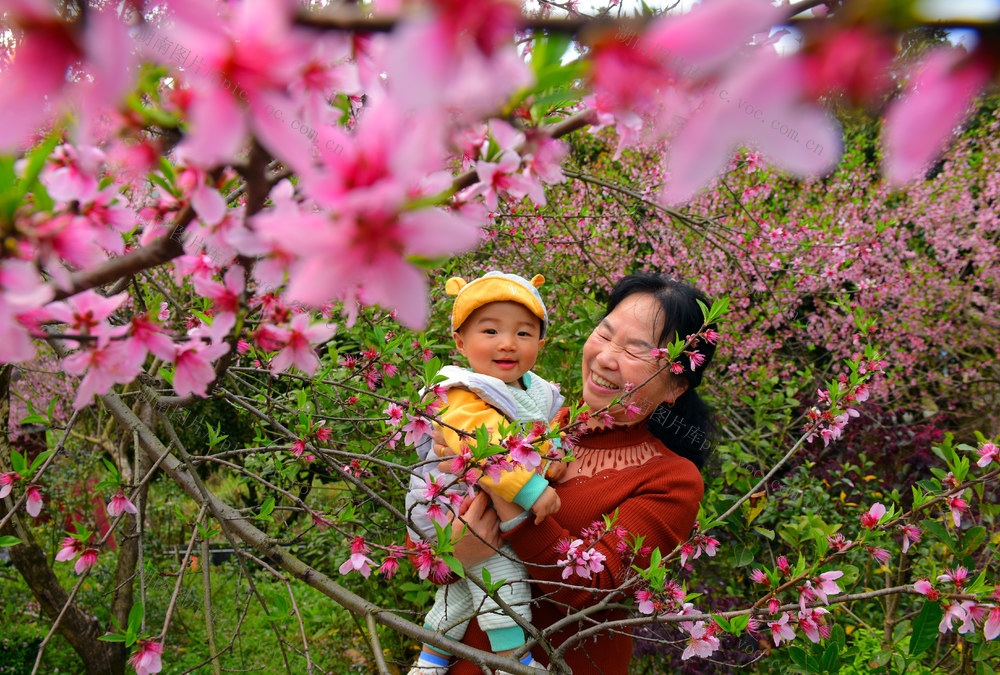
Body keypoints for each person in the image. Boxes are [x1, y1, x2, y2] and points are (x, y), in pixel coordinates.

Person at [439, 273, 716, 674]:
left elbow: (594, 591)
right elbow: (434, 558)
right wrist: (454, 555)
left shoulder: (673, 480)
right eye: (604, 335)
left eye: (636, 351)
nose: (606, 357)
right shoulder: (536, 425)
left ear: (675, 386)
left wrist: (499, 482)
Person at [406, 271, 568, 675]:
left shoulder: (535, 389)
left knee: (466, 585)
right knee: (505, 571)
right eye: (490, 330)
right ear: (460, 342)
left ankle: (430, 657)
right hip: (448, 503)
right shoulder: (462, 389)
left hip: (483, 497)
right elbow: (486, 445)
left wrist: (553, 455)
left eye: (524, 333)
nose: (507, 343)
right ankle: (512, 660)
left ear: (541, 343)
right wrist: (530, 488)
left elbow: (535, 434)